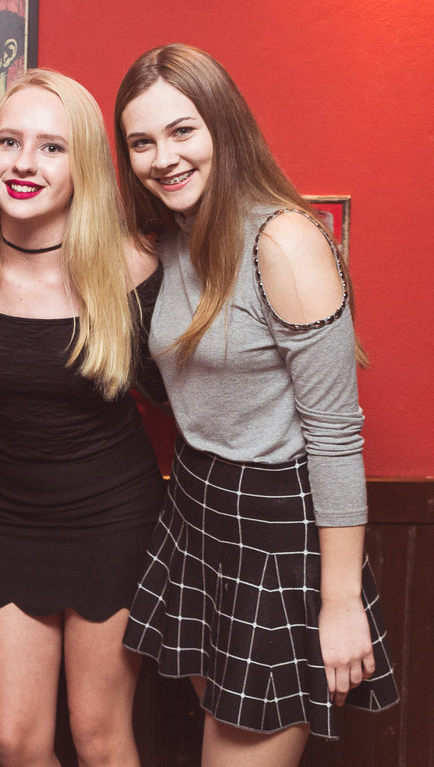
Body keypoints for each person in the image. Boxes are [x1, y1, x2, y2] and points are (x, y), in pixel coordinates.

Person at [114, 44, 399, 764]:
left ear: (224, 125)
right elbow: (175, 382)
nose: (162, 157)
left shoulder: (287, 241)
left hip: (276, 521)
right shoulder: (172, 238)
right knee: (216, 723)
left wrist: (336, 604)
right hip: (199, 503)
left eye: (183, 131)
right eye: (142, 141)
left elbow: (335, 435)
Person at [0, 68, 163, 767]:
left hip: (112, 514)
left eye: (51, 147)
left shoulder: (131, 264)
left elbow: (203, 384)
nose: (23, 162)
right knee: (15, 740)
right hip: (10, 511)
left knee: (99, 738)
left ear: (85, 164)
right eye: (9, 141)